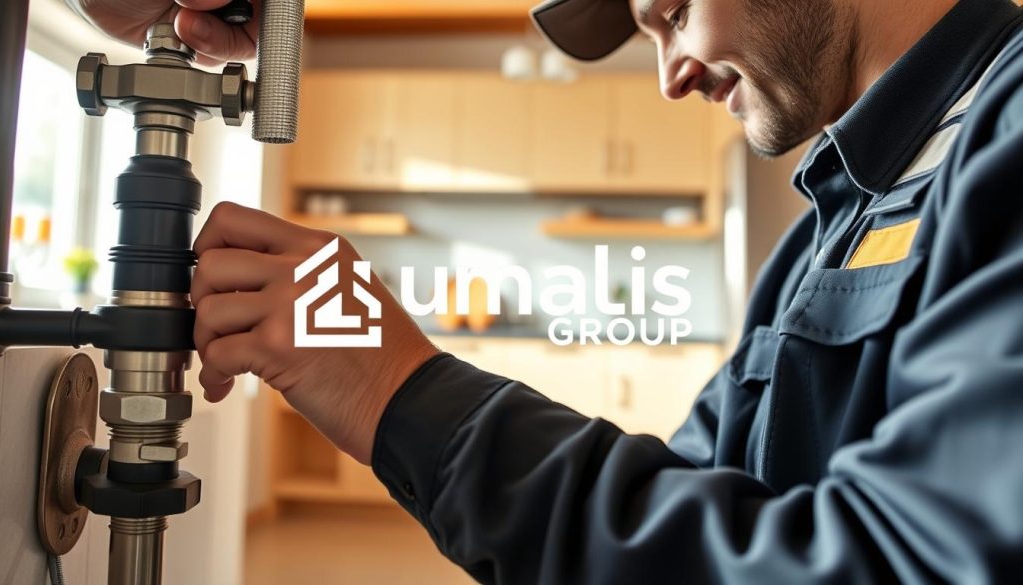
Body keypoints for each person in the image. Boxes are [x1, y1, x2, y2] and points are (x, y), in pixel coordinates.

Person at [70, 0, 1023, 582]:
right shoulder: (838, 216)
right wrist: (390, 377)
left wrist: (394, 386)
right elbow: (689, 510)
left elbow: (909, 561)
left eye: (676, 8)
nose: (670, 76)